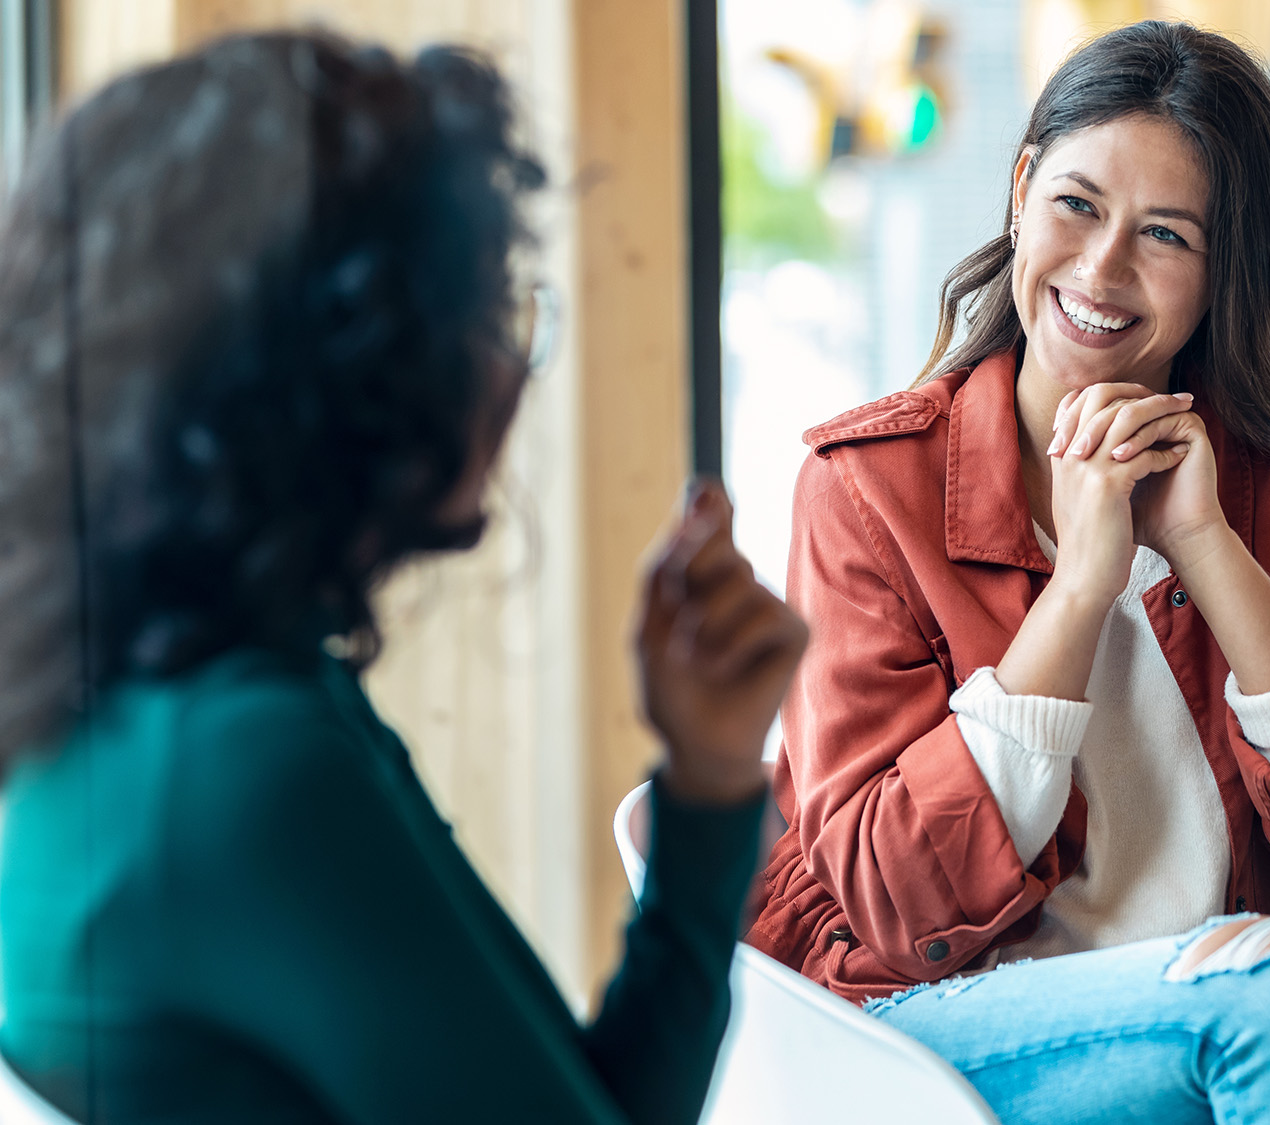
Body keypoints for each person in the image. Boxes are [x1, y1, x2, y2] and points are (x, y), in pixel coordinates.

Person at [0, 32, 805, 1123]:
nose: (514, 363)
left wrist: (708, 780)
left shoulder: (162, 709)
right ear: (357, 367)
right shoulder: (244, 772)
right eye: (487, 307)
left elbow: (582, 1104)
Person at [747, 20, 1270, 1124]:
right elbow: (893, 902)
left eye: (1165, 234)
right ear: (1022, 188)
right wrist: (1081, 586)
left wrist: (1207, 546)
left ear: (1228, 269)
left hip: (1209, 1016)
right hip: (929, 1026)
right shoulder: (866, 486)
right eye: (1076, 205)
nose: (1100, 269)